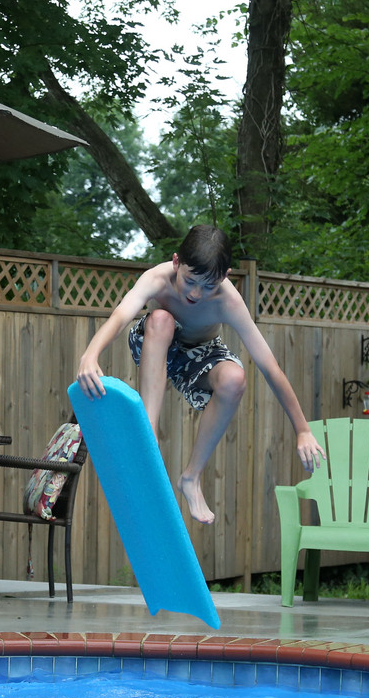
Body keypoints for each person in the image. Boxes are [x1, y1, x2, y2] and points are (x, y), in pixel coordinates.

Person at [75, 225, 324, 524]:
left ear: (225, 276)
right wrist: (90, 354)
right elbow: (120, 316)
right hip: (155, 340)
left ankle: (191, 477)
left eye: (209, 286)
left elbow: (270, 367)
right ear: (176, 262)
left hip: (201, 354)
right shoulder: (157, 279)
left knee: (234, 379)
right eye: (190, 281)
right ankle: (148, 434)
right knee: (162, 319)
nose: (196, 293)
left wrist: (302, 429)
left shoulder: (228, 301)